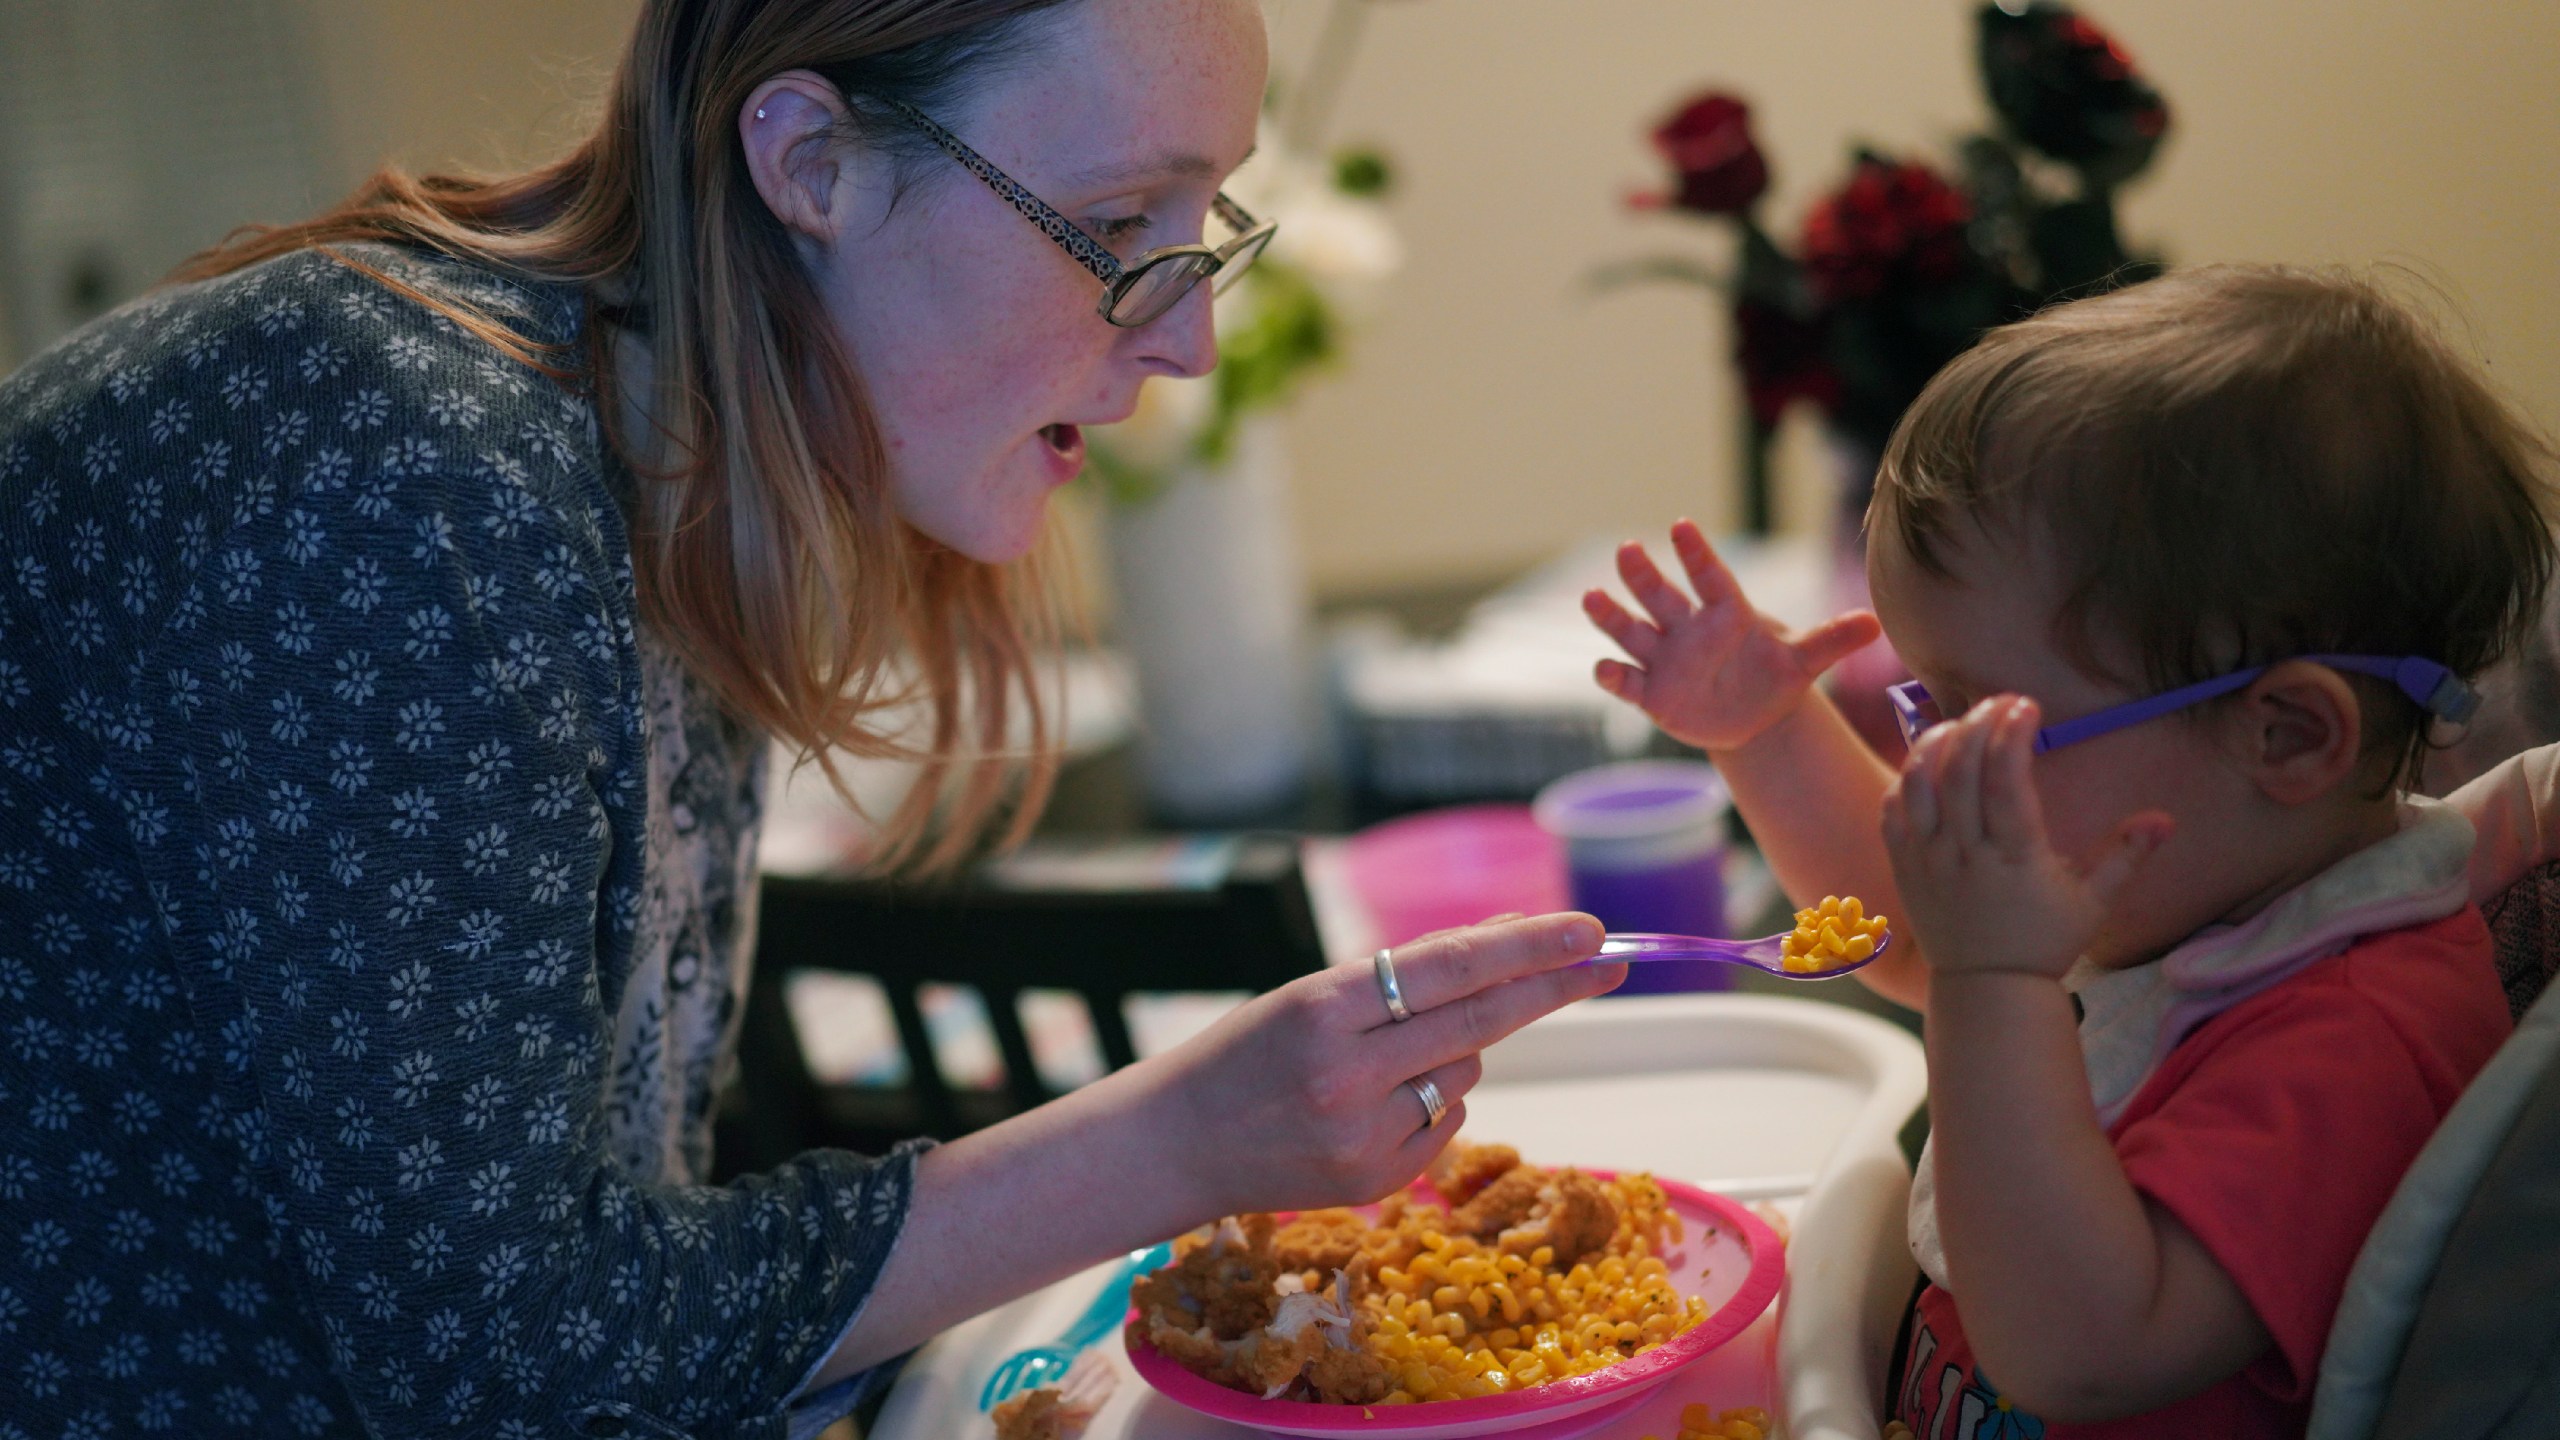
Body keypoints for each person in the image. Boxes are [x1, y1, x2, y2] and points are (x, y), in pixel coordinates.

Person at [0, 2, 1624, 1435]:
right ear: (812, 162)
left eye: (1207, 218)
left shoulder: (666, 463)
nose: (1190, 334)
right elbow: (510, 1368)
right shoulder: (406, 474)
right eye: (1124, 217)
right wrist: (1181, 1141)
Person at [1585, 264, 2554, 1434]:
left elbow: (2079, 1351)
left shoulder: (2353, 1034)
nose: (1930, 760)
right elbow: (1901, 922)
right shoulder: (2177, 880)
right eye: (1921, 705)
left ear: (2286, 734)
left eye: (1971, 712)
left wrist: (1996, 982)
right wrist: (1765, 730)